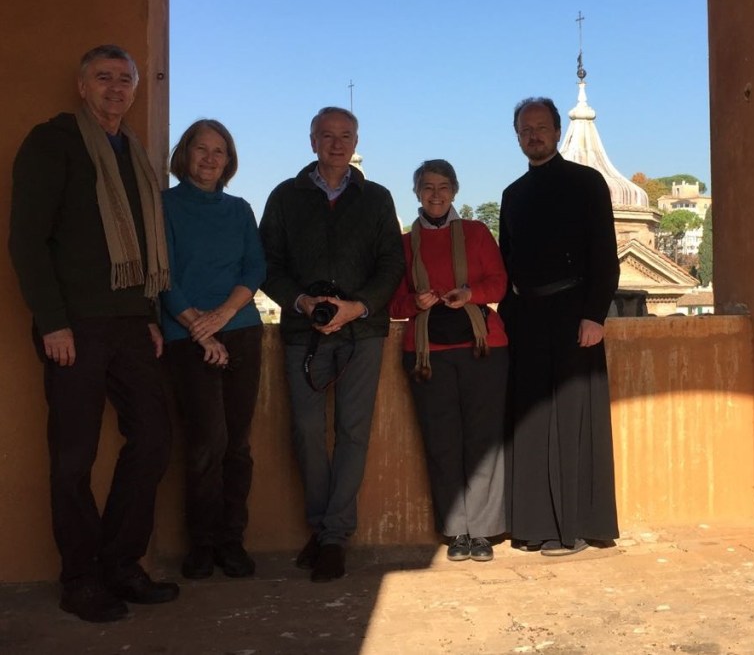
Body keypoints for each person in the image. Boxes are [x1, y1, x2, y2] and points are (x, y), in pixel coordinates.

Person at [8, 44, 178, 622]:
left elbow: (144, 247)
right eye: (103, 78)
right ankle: (79, 578)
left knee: (153, 438)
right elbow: (27, 240)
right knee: (73, 457)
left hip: (131, 323)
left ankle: (121, 563)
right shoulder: (52, 141)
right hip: (74, 326)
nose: (115, 88)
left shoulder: (135, 153)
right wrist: (52, 321)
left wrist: (149, 315)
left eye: (125, 79)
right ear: (83, 86)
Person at [259, 106, 405, 583]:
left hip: (362, 331)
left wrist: (357, 307)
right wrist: (303, 302)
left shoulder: (377, 198)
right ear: (312, 141)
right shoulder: (285, 196)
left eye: (346, 135)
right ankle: (324, 529)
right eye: (327, 135)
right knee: (306, 431)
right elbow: (268, 264)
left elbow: (391, 264)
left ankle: (334, 536)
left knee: (352, 432)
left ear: (356, 142)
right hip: (304, 333)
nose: (337, 144)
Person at [498, 96, 620, 556]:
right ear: (518, 137)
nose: (533, 136)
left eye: (541, 127)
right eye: (525, 130)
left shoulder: (587, 183)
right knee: (530, 422)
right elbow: (508, 263)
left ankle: (574, 529)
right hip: (526, 319)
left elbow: (604, 255)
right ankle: (533, 527)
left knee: (572, 421)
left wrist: (595, 315)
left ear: (556, 131)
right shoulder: (512, 195)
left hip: (575, 316)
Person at [160, 120, 266, 581]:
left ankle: (231, 541)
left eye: (218, 151)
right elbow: (162, 275)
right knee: (207, 443)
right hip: (186, 336)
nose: (209, 158)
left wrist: (222, 317)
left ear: (229, 160)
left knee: (237, 445)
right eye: (200, 149)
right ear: (185, 154)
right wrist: (201, 331)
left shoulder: (240, 209)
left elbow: (255, 267)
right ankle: (202, 543)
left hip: (240, 330)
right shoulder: (163, 206)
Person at [390, 160, 509, 563]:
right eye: (428, 187)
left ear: (455, 191)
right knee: (442, 442)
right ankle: (458, 529)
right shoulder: (405, 244)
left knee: (484, 439)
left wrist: (469, 294)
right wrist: (415, 302)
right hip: (427, 353)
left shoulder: (476, 233)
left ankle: (484, 530)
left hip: (483, 347)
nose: (436, 194)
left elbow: (499, 283)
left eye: (443, 187)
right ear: (417, 193)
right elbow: (393, 303)